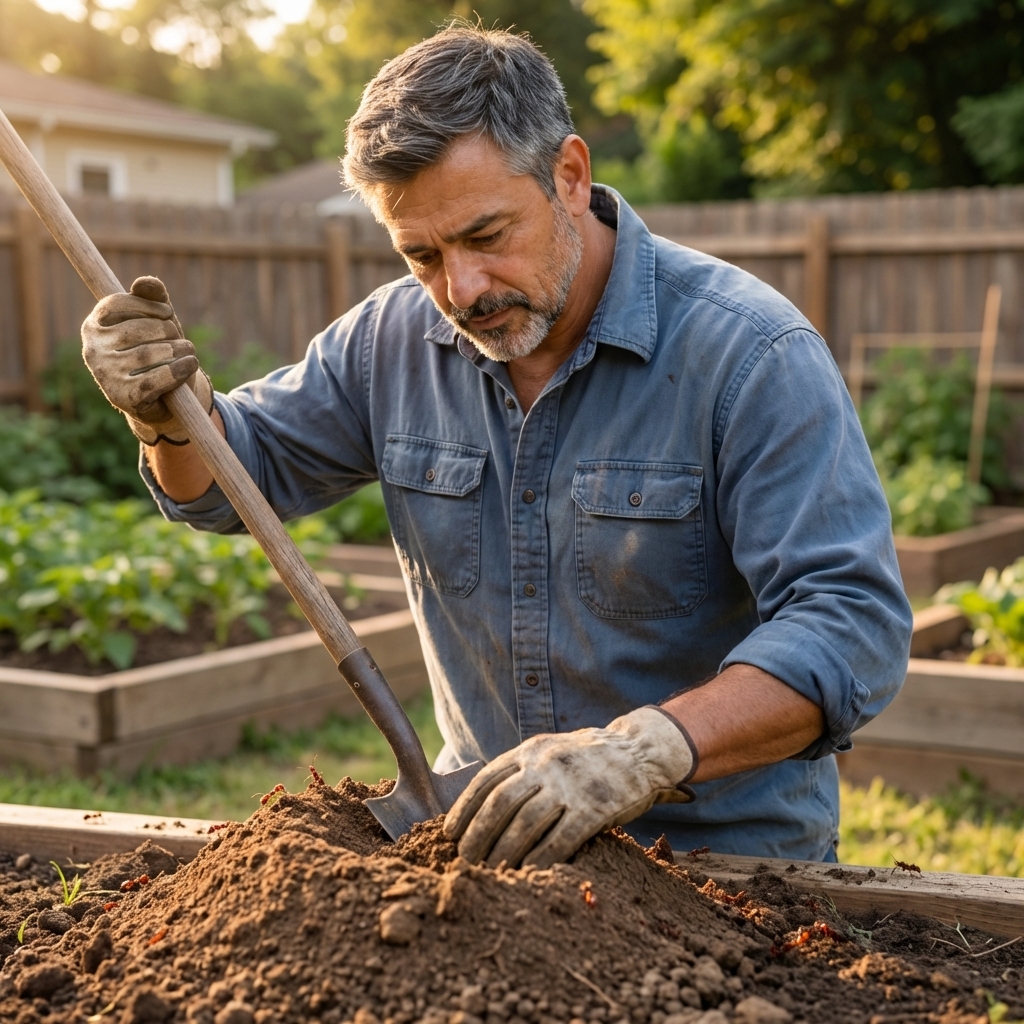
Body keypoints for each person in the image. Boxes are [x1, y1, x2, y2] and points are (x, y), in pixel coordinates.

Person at [80, 25, 912, 869]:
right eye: (422, 256)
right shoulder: (387, 345)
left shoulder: (749, 354)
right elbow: (229, 481)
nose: (461, 290)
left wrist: (641, 752)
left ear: (571, 176)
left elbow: (849, 623)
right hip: (486, 859)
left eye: (485, 237)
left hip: (722, 867)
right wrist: (166, 416)